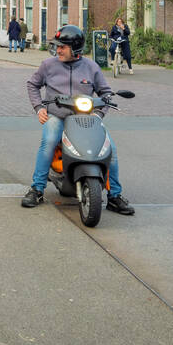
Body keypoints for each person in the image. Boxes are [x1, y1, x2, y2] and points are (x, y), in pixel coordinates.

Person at [22, 25, 134, 215]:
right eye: (57, 46)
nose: (58, 50)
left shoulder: (91, 67)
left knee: (111, 150)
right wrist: (39, 107)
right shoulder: (48, 65)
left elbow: (106, 93)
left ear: (75, 48)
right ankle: (37, 189)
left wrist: (98, 115)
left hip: (86, 118)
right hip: (58, 115)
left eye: (62, 47)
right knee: (48, 141)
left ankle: (114, 196)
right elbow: (33, 84)